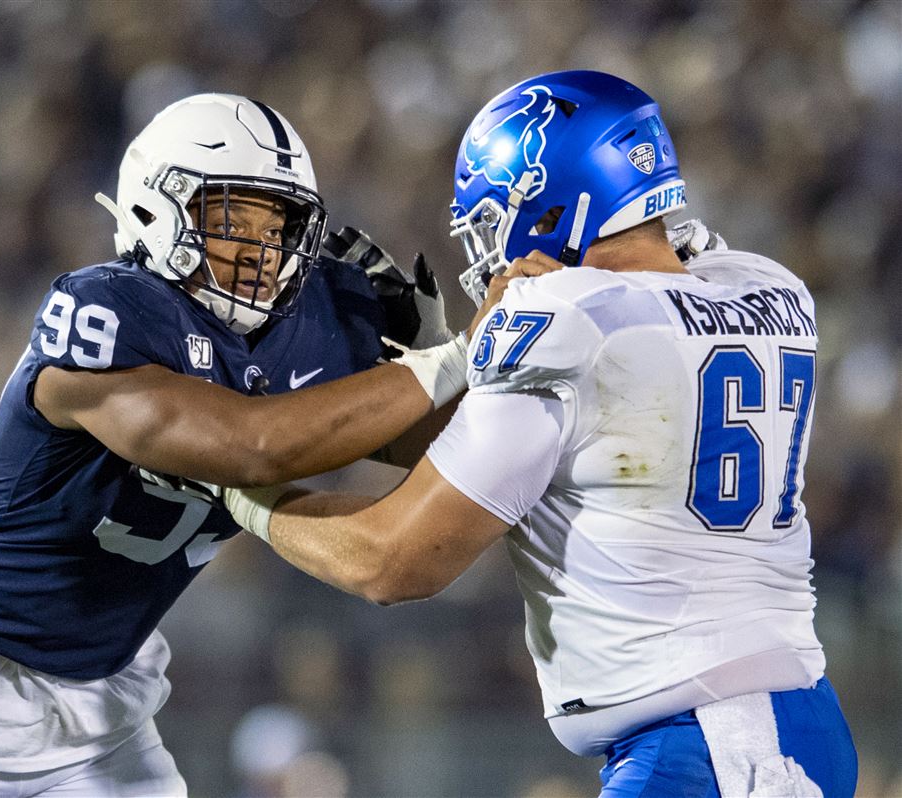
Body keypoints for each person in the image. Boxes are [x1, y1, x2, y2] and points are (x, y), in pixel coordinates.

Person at [224, 71, 858, 798]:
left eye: (493, 220)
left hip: (711, 746)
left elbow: (392, 561)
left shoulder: (568, 318)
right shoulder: (768, 286)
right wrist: (444, 366)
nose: (490, 251)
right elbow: (562, 437)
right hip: (776, 725)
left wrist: (246, 495)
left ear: (556, 205)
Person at [0, 93, 473, 796]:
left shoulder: (315, 321)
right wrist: (452, 363)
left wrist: (438, 359)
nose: (261, 250)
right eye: (231, 220)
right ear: (155, 208)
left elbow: (441, 450)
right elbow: (253, 446)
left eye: (277, 224)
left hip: (103, 692)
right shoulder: (108, 307)